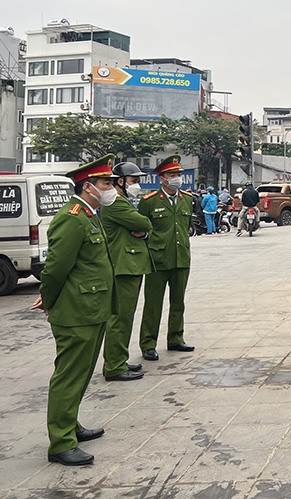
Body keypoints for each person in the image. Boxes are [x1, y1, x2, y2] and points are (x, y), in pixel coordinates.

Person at [30, 155, 118, 466]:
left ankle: (71, 425)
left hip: (93, 308)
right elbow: (55, 269)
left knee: (81, 374)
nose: (112, 188)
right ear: (88, 186)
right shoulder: (72, 217)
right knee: (68, 376)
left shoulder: (91, 215)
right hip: (76, 311)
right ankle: (60, 443)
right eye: (106, 183)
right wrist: (48, 299)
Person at [101, 161, 153, 383]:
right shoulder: (116, 204)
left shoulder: (123, 202)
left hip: (129, 265)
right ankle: (113, 366)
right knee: (120, 318)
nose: (137, 185)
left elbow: (142, 228)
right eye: (134, 181)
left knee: (125, 317)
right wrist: (143, 228)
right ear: (120, 182)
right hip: (123, 266)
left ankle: (119, 360)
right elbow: (143, 222)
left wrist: (142, 232)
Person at [138, 156, 193, 360]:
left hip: (181, 257)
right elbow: (142, 230)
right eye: (172, 175)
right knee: (153, 304)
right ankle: (148, 343)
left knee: (178, 301)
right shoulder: (149, 201)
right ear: (162, 179)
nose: (177, 178)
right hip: (157, 260)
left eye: (178, 174)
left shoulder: (187, 198)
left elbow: (184, 229)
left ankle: (176, 338)